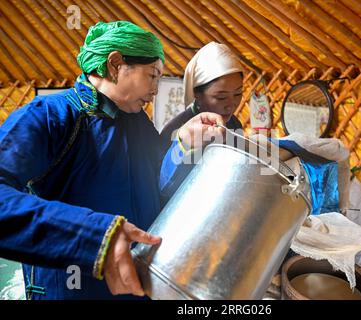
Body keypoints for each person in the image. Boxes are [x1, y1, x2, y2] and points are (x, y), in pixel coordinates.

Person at [0, 21, 224, 300]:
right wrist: (95, 236)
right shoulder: (49, 117)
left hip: (138, 286)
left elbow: (158, 185)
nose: (156, 89)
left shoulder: (137, 122)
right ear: (116, 64)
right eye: (152, 75)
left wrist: (183, 145)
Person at [160, 42, 244, 150]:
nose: (231, 105)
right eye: (221, 97)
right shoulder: (175, 131)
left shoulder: (234, 124)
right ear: (197, 94)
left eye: (238, 94)